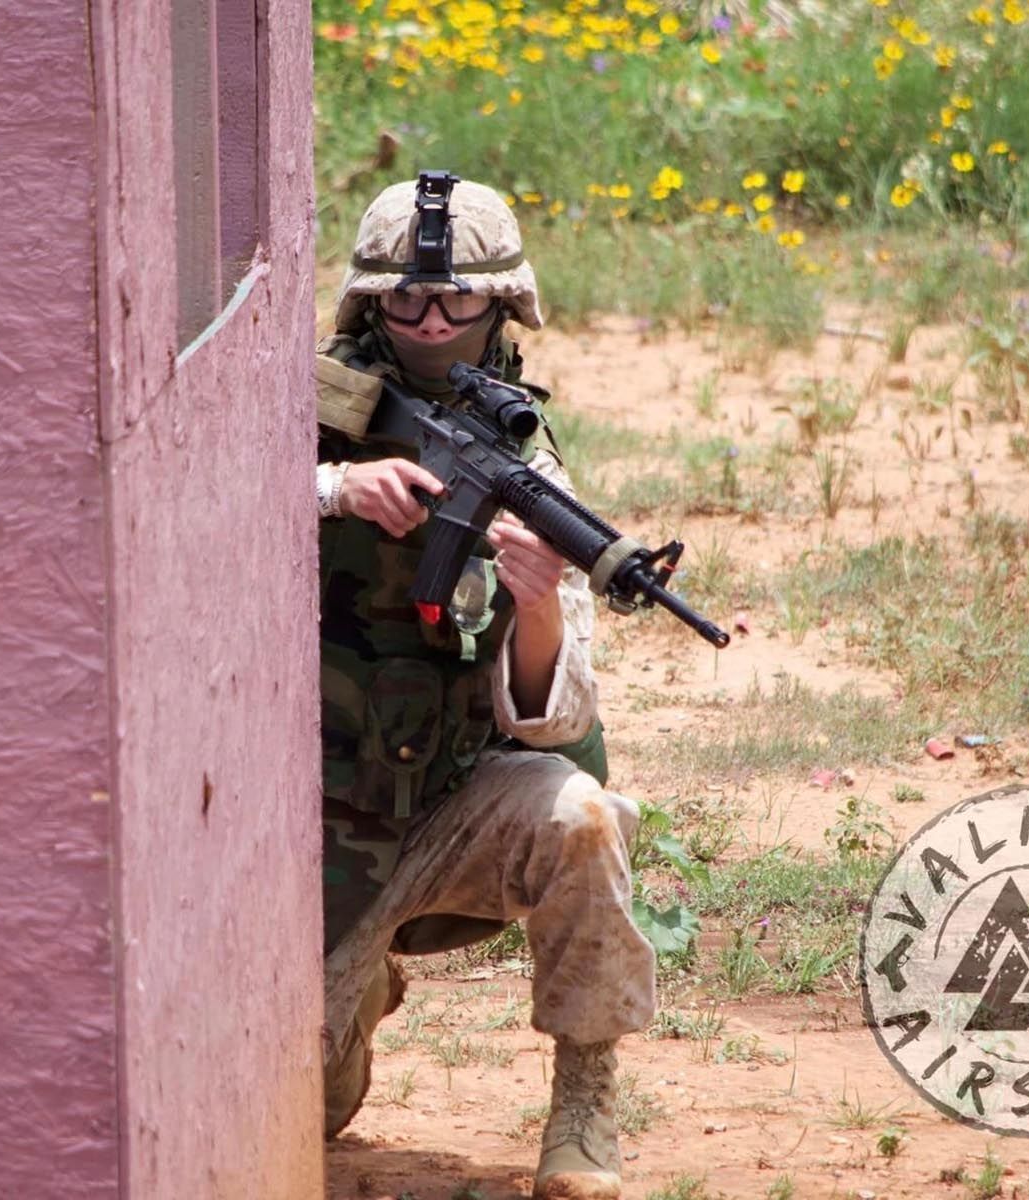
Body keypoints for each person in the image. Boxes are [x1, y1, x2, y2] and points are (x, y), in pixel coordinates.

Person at [314, 173, 658, 1200]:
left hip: (456, 792)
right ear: (368, 306)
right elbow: (184, 495)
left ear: (505, 306)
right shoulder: (298, 403)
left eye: (457, 302)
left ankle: (586, 1107)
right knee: (304, 1111)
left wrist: (540, 600)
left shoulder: (526, 462)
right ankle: (353, 987)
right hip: (307, 817)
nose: (428, 323)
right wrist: (334, 489)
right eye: (405, 302)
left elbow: (559, 716)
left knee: (583, 820)